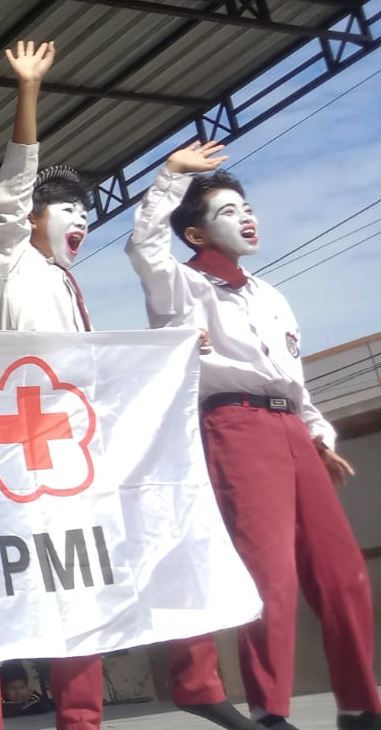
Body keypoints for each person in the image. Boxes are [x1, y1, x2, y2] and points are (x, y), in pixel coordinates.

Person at [125, 142, 381, 730]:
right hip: (234, 424)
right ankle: (271, 710)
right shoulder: (180, 285)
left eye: (248, 208)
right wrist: (170, 176)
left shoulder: (270, 296)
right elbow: (143, 245)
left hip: (294, 433)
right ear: (195, 234)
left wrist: (318, 437)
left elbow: (295, 381)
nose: (247, 218)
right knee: (270, 575)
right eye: (228, 211)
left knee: (343, 573)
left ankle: (359, 705)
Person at [0, 40, 107, 730]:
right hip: (27, 445)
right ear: (31, 219)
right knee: (40, 581)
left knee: (81, 581)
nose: (80, 220)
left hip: (74, 444)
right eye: (65, 209)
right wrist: (28, 90)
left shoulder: (67, 286)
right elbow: (14, 183)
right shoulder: (12, 259)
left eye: (86, 212)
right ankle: (13, 685)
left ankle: (81, 715)